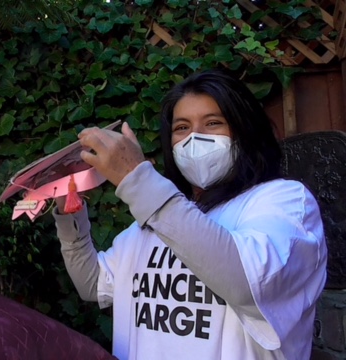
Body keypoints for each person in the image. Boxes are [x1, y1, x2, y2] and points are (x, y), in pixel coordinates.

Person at [53, 69, 327, 359]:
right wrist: (70, 214)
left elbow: (246, 282)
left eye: (213, 123)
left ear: (246, 130)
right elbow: (94, 284)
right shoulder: (160, 216)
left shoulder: (285, 201)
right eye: (181, 127)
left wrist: (137, 179)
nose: (195, 138)